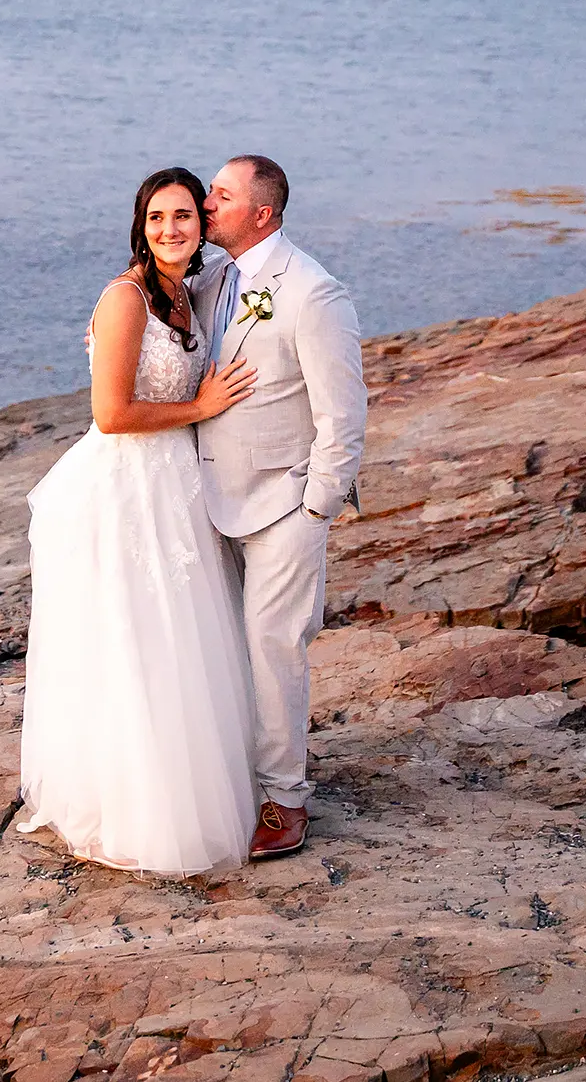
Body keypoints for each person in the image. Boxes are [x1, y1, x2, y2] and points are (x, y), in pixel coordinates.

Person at [16, 167, 261, 874]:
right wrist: (201, 407)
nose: (171, 229)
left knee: (184, 643)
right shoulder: (124, 299)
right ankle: (140, 810)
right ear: (140, 225)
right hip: (124, 490)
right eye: (157, 218)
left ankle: (200, 789)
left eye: (183, 215)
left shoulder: (190, 293)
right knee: (134, 642)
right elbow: (112, 414)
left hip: (177, 489)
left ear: (202, 224)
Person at [188, 155, 366, 860]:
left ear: (262, 213)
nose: (207, 204)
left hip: (284, 504)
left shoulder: (314, 293)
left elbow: (343, 416)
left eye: (221, 196)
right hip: (209, 497)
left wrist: (315, 507)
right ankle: (233, 774)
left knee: (274, 649)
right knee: (221, 644)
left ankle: (285, 799)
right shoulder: (210, 279)